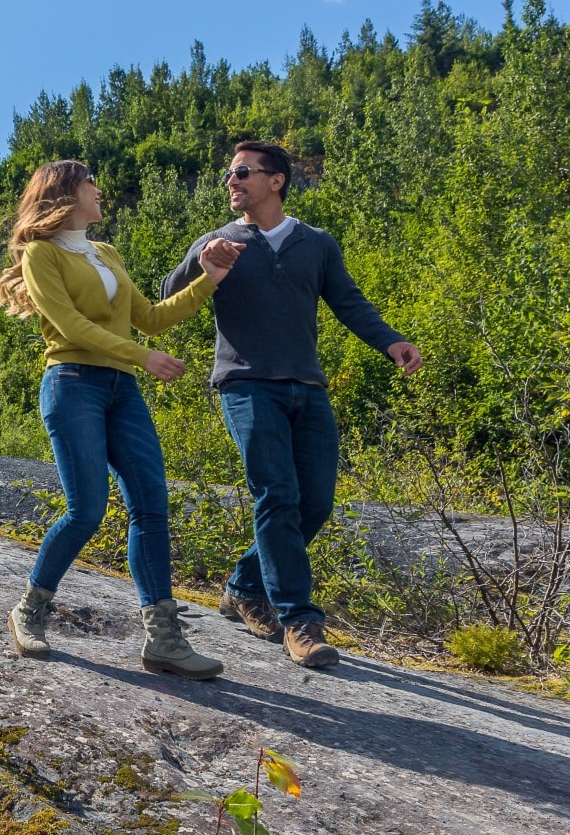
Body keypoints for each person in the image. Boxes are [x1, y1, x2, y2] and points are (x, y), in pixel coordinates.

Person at [161, 140, 422, 668]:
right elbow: (165, 298)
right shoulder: (217, 241)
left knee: (315, 502)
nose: (231, 182)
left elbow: (348, 301)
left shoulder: (316, 244)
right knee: (276, 493)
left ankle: (242, 587)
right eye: (229, 174)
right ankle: (298, 620)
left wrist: (390, 340)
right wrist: (201, 266)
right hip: (246, 384)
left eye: (241, 173)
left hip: (308, 386)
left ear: (276, 180)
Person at [0, 159, 244, 679]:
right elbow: (69, 325)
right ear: (66, 192)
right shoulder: (41, 254)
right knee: (85, 510)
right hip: (71, 384)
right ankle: (30, 609)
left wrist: (210, 278)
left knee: (151, 507)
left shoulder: (105, 253)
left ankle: (164, 641)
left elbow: (151, 317)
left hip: (120, 390)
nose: (100, 189)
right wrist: (142, 356)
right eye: (91, 182)